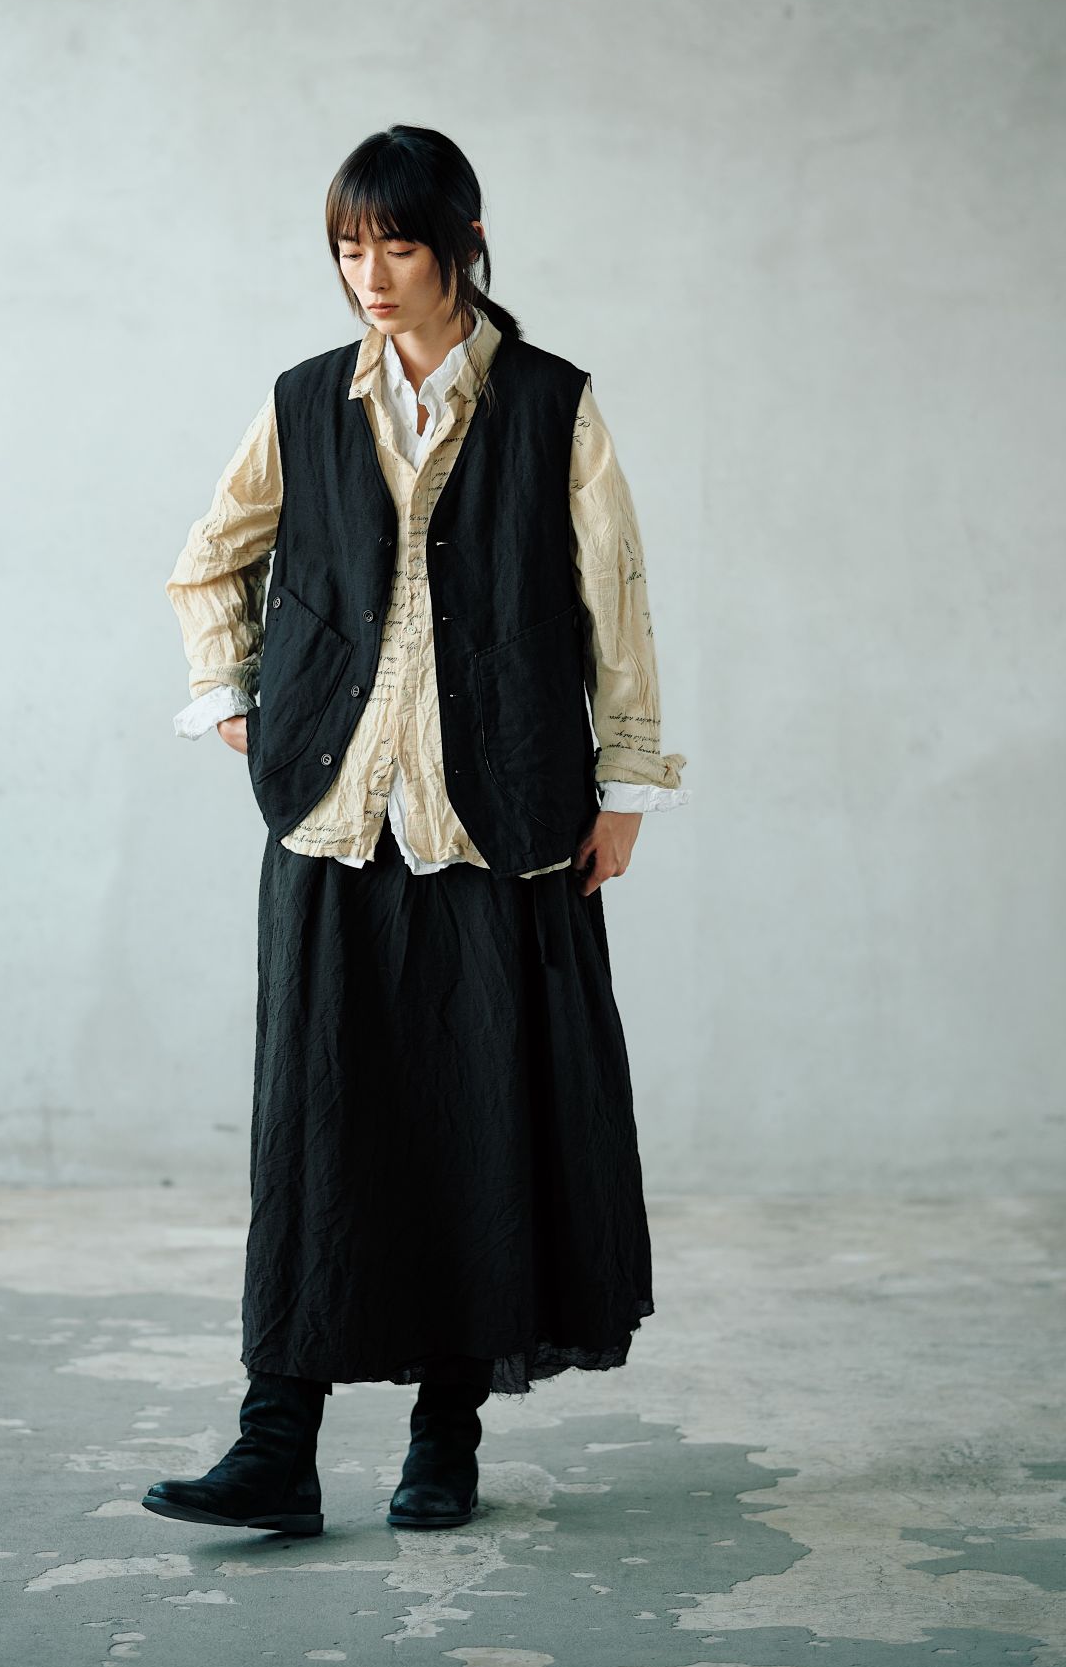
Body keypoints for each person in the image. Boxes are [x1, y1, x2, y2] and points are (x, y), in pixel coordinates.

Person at [143, 123, 689, 1540]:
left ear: (465, 245)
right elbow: (210, 559)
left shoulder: (554, 404)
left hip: (499, 812)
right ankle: (275, 1444)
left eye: (397, 244)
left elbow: (617, 602)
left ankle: (445, 1440)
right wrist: (234, 697)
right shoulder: (305, 400)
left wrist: (624, 788)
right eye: (348, 247)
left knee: (479, 1122)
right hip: (336, 813)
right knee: (314, 1125)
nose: (370, 275)